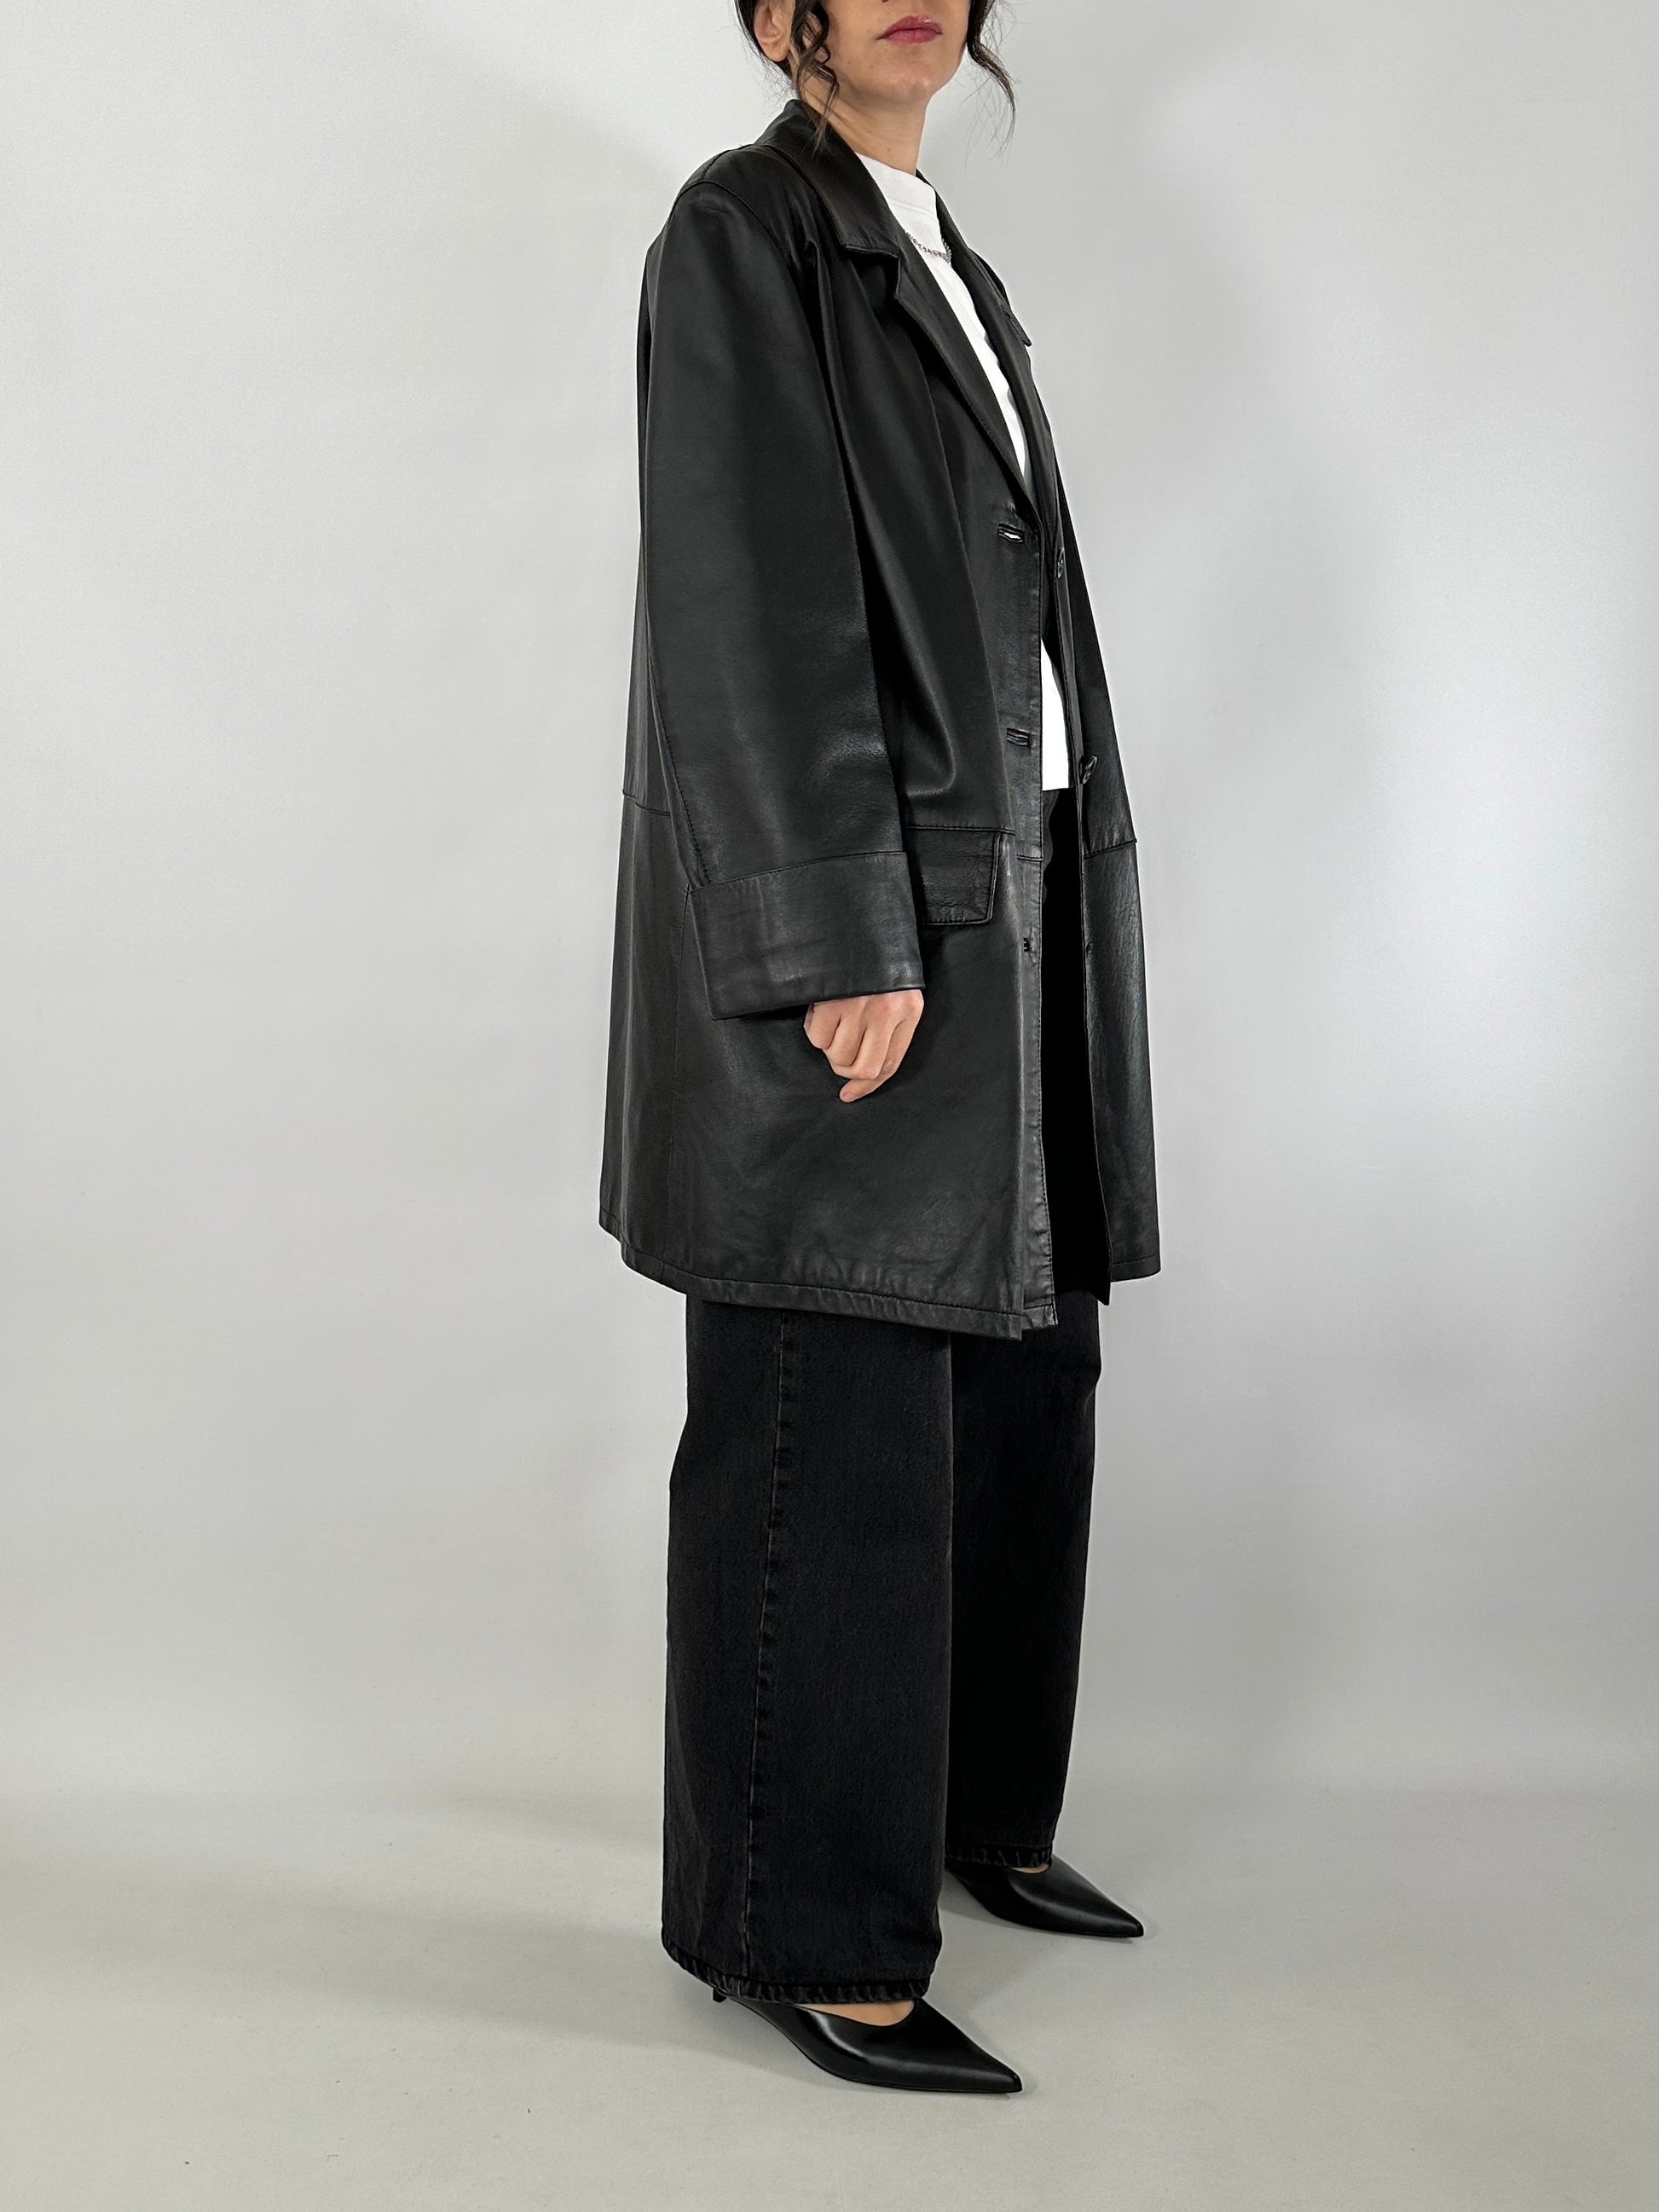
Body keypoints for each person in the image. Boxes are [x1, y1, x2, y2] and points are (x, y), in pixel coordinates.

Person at [599, 0, 1159, 2094]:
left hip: (1018, 890)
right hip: (879, 912)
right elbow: (748, 594)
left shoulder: (949, 263)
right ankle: (805, 1927)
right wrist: (833, 924)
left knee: (1020, 1379)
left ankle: (967, 1811)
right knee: (828, 1410)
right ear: (777, 19)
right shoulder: (743, 232)